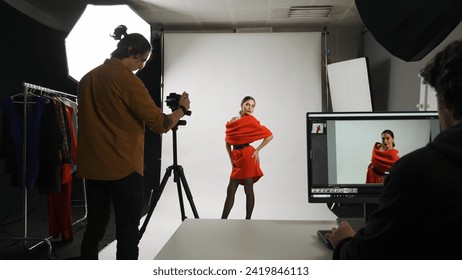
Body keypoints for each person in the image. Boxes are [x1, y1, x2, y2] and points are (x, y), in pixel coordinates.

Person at [325, 39, 462, 259]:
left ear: (445, 102)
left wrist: (344, 242)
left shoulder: (414, 171)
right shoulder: (390, 162)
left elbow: (366, 258)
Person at [76, 26, 190, 260]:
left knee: (94, 229)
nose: (142, 66)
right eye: (142, 60)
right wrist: (181, 109)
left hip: (93, 168)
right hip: (123, 168)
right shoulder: (128, 81)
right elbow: (160, 124)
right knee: (128, 231)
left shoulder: (86, 79)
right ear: (132, 52)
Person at [221, 96, 273, 220]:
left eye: (253, 106)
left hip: (248, 157)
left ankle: (248, 220)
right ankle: (222, 220)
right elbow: (228, 142)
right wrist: (231, 160)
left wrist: (257, 150)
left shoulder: (252, 121)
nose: (250, 108)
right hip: (237, 157)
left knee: (248, 190)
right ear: (242, 105)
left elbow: (269, 135)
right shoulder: (234, 120)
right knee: (230, 191)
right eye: (248, 104)